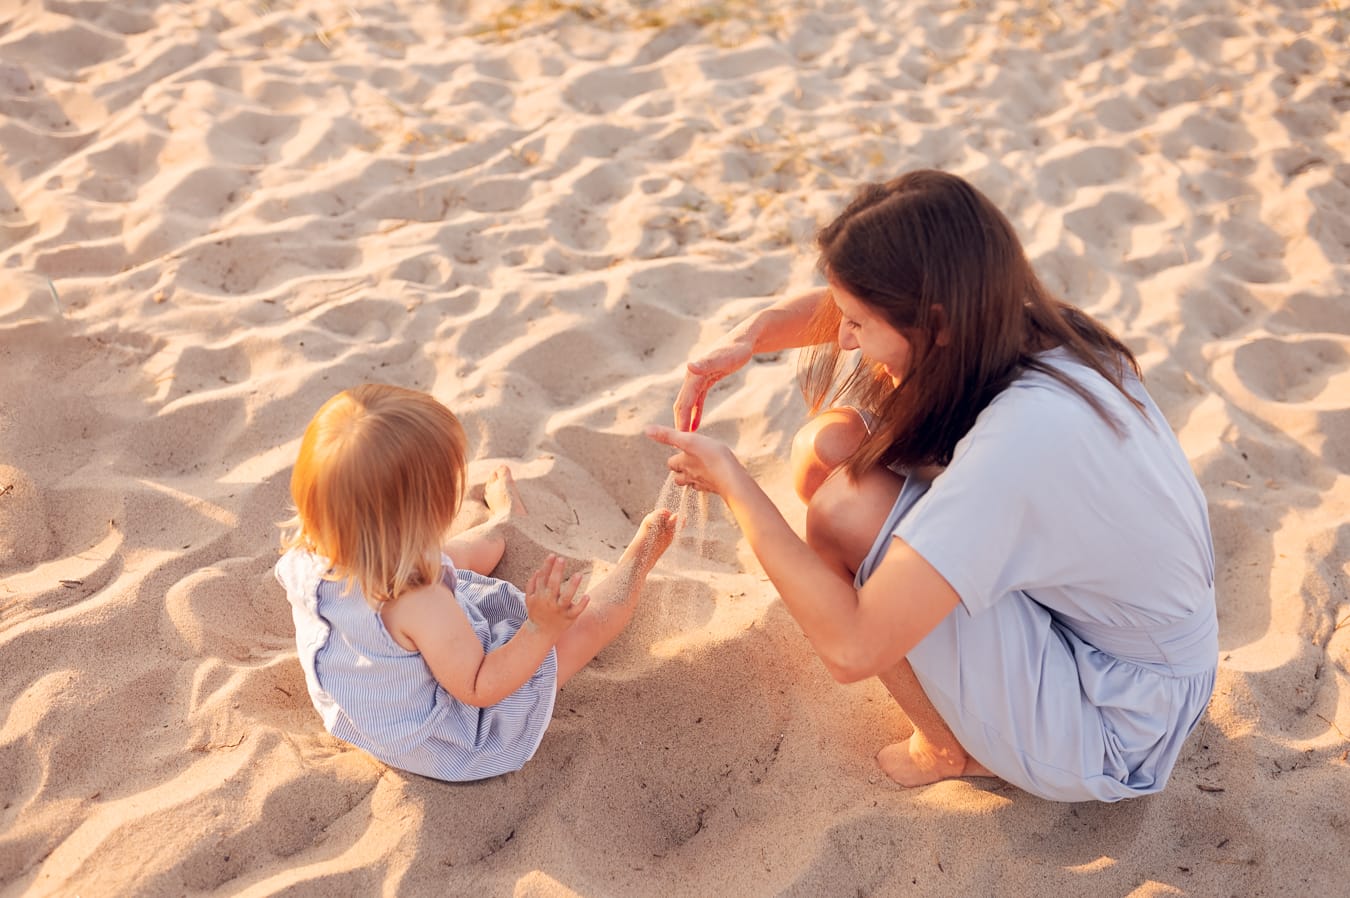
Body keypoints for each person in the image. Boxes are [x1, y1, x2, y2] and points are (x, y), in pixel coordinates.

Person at [647, 170, 1217, 802]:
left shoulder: (1015, 449)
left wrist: (733, 482)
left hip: (1116, 719)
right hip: (1112, 642)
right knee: (829, 450)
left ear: (936, 322)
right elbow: (856, 309)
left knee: (841, 513)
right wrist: (752, 336)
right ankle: (960, 720)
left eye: (859, 324)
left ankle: (947, 745)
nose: (844, 337)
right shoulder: (1029, 330)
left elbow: (851, 649)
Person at [276, 383, 675, 781]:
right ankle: (639, 560)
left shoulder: (312, 554)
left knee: (460, 555)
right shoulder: (421, 602)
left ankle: (502, 524)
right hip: (447, 737)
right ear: (421, 514)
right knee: (582, 628)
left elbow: (425, 564)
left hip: (359, 710)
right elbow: (480, 686)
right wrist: (540, 628)